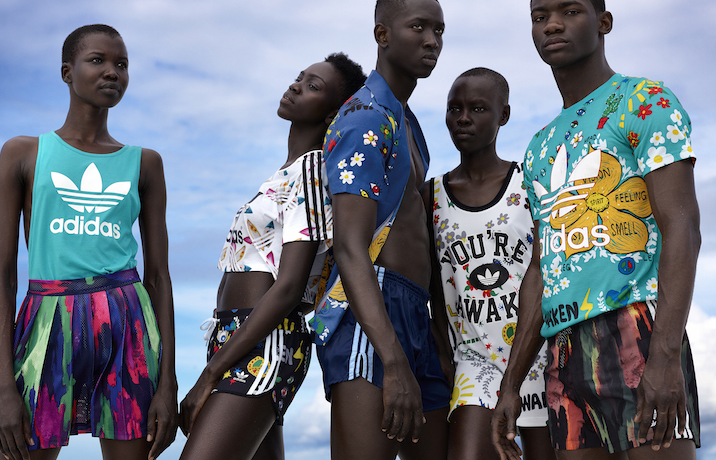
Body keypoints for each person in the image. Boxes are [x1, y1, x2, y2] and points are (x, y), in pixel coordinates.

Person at [491, 1, 700, 459]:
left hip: (639, 329)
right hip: (564, 348)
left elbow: (682, 228)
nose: (552, 25)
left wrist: (665, 355)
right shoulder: (540, 146)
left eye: (570, 10)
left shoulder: (644, 100)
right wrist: (510, 385)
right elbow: (542, 270)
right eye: (540, 16)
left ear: (604, 22)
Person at [0, 25, 177, 460]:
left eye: (121, 64)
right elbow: (2, 275)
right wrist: (1, 385)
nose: (112, 72)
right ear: (67, 72)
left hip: (127, 326)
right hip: (46, 322)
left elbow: (158, 276)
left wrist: (167, 383)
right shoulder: (24, 153)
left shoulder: (144, 163)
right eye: (97, 60)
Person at [177, 53, 366, 460]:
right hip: (239, 337)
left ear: (332, 113)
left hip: (266, 343)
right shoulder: (287, 172)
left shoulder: (312, 170)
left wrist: (209, 375)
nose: (296, 85)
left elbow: (290, 287)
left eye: (313, 86)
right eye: (300, 77)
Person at [309, 0, 450, 459]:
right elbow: (350, 247)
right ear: (382, 35)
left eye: (439, 31)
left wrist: (435, 334)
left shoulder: (406, 121)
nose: (432, 41)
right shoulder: (365, 116)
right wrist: (392, 359)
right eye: (418, 27)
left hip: (415, 310)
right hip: (370, 311)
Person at [424, 68, 556, 460]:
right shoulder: (431, 195)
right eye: (455, 109)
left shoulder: (529, 183)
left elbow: (547, 269)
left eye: (478, 108)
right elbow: (435, 286)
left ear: (504, 115)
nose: (463, 118)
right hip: (474, 361)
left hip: (539, 355)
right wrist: (444, 353)